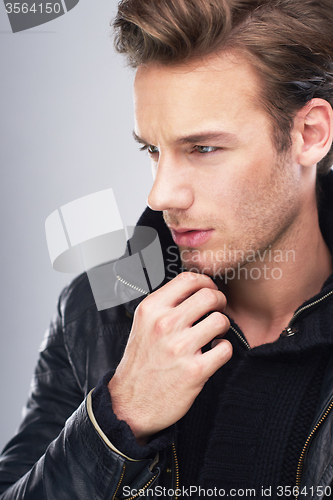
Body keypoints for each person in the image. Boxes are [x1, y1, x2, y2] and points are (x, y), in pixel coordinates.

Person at [1, 0, 333, 498]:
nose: (160, 195)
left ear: (309, 134)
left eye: (203, 149)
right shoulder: (97, 313)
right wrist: (119, 416)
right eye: (153, 150)